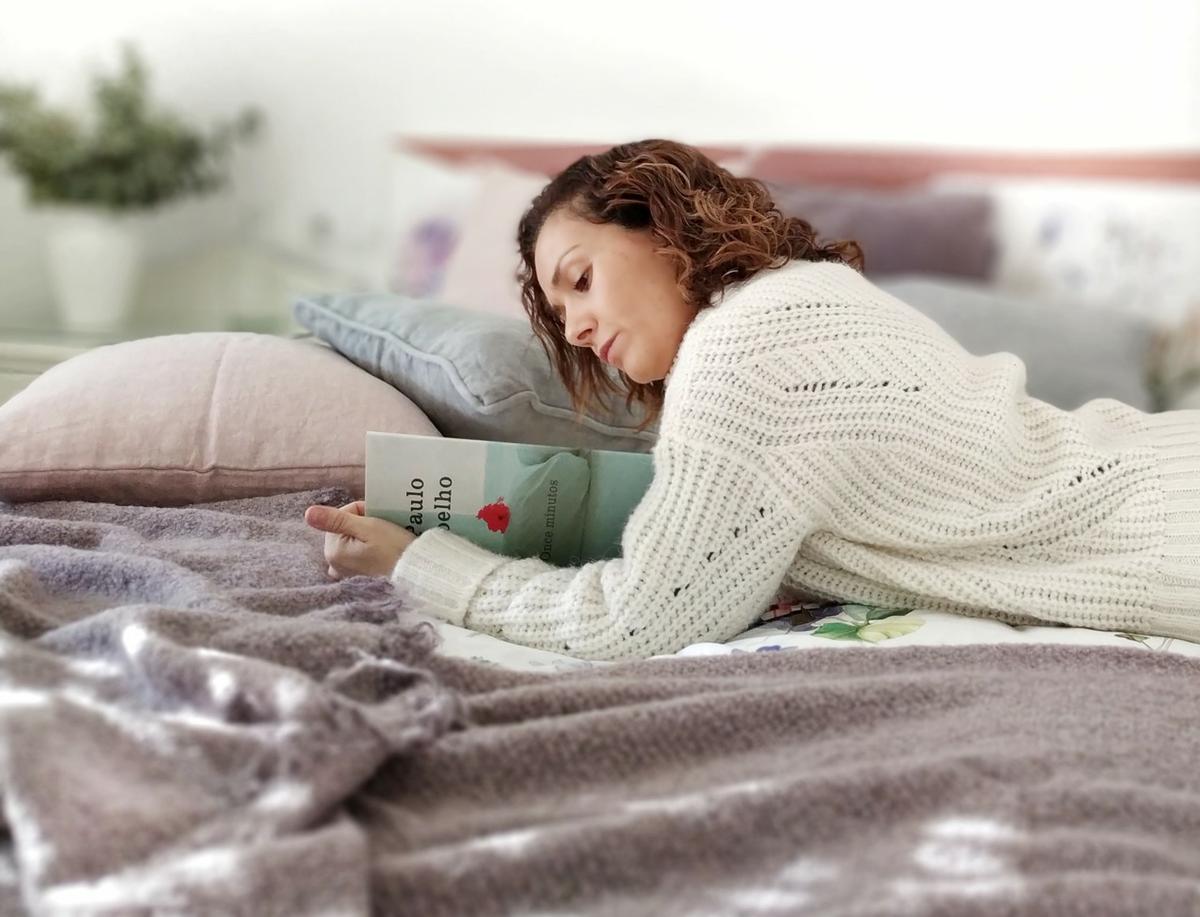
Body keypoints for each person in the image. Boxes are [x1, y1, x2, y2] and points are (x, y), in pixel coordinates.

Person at [304, 138, 1200, 662]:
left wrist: (420, 565)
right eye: (559, 309)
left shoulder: (739, 355)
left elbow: (641, 619)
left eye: (581, 280)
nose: (576, 327)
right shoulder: (801, 293)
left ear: (659, 226)